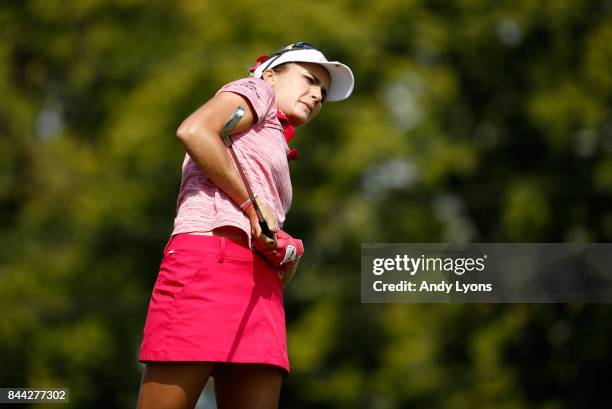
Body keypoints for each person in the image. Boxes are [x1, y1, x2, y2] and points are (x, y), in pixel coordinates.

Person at [136, 42, 354, 409]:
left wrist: (287, 253)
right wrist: (253, 207)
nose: (317, 94)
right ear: (269, 74)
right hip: (208, 264)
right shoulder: (256, 91)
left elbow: (263, 224)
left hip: (261, 286)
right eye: (309, 79)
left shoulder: (273, 140)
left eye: (324, 92)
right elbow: (195, 131)